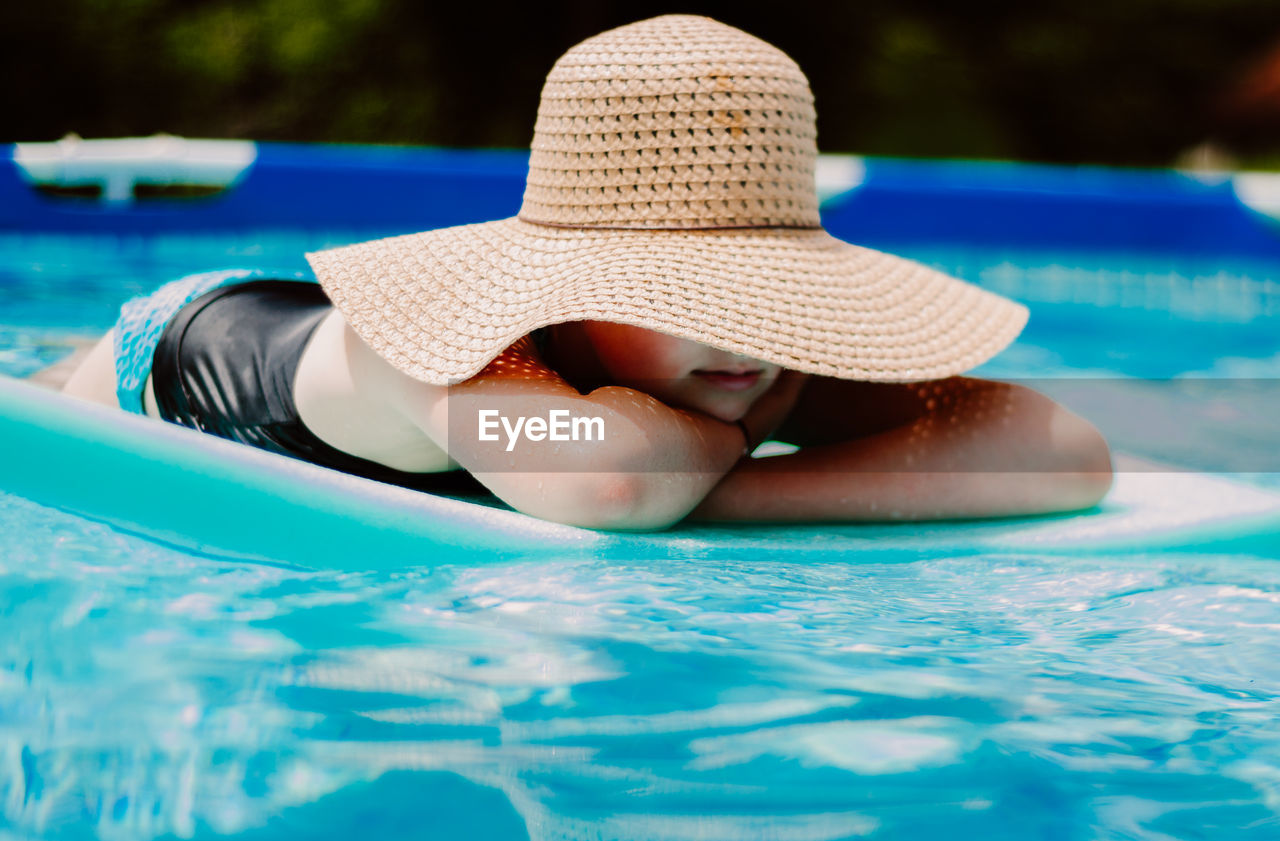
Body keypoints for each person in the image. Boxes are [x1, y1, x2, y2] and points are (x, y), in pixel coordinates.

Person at [60, 14, 1113, 530]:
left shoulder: (720, 368)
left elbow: (1057, 449)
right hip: (161, 364)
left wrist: (739, 477)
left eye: (761, 300)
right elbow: (609, 478)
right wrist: (726, 465)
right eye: (685, 296)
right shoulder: (437, 353)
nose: (741, 337)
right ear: (575, 281)